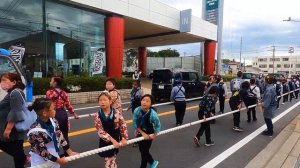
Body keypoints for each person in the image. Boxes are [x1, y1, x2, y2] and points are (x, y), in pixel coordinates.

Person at [27, 98, 78, 167]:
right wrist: (59, 160)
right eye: (53, 109)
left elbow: (59, 136)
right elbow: (43, 151)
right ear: (45, 113)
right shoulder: (35, 131)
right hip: (40, 161)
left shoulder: (53, 120)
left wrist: (69, 152)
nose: (55, 111)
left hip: (54, 155)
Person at [0, 73, 29, 168]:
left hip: (13, 129)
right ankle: (24, 159)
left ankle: (24, 158)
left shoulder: (15, 93)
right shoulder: (13, 92)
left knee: (18, 153)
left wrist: (8, 129)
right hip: (13, 129)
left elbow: (15, 111)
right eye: (1, 80)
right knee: (18, 152)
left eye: (5, 80)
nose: (2, 83)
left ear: (14, 82)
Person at [94, 91, 128, 168]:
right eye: (100, 100)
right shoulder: (97, 115)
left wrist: (124, 138)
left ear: (110, 101)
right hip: (105, 140)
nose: (102, 102)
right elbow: (100, 131)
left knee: (110, 159)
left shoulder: (116, 112)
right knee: (109, 160)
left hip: (115, 137)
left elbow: (123, 124)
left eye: (105, 100)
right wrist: (112, 140)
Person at [46, 76, 79, 156]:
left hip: (54, 114)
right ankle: (66, 152)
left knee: (53, 133)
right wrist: (74, 114)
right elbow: (68, 104)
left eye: (51, 81)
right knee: (64, 133)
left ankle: (54, 153)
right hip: (63, 114)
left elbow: (47, 105)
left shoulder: (49, 92)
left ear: (55, 82)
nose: (50, 82)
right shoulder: (63, 93)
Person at [133, 94, 161, 168]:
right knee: (142, 150)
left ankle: (144, 166)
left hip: (150, 132)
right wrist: (142, 133)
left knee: (144, 151)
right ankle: (153, 162)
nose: (144, 102)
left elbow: (158, 126)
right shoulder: (137, 110)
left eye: (147, 101)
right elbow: (135, 123)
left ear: (151, 104)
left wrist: (154, 135)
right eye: (143, 100)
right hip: (140, 131)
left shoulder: (153, 115)